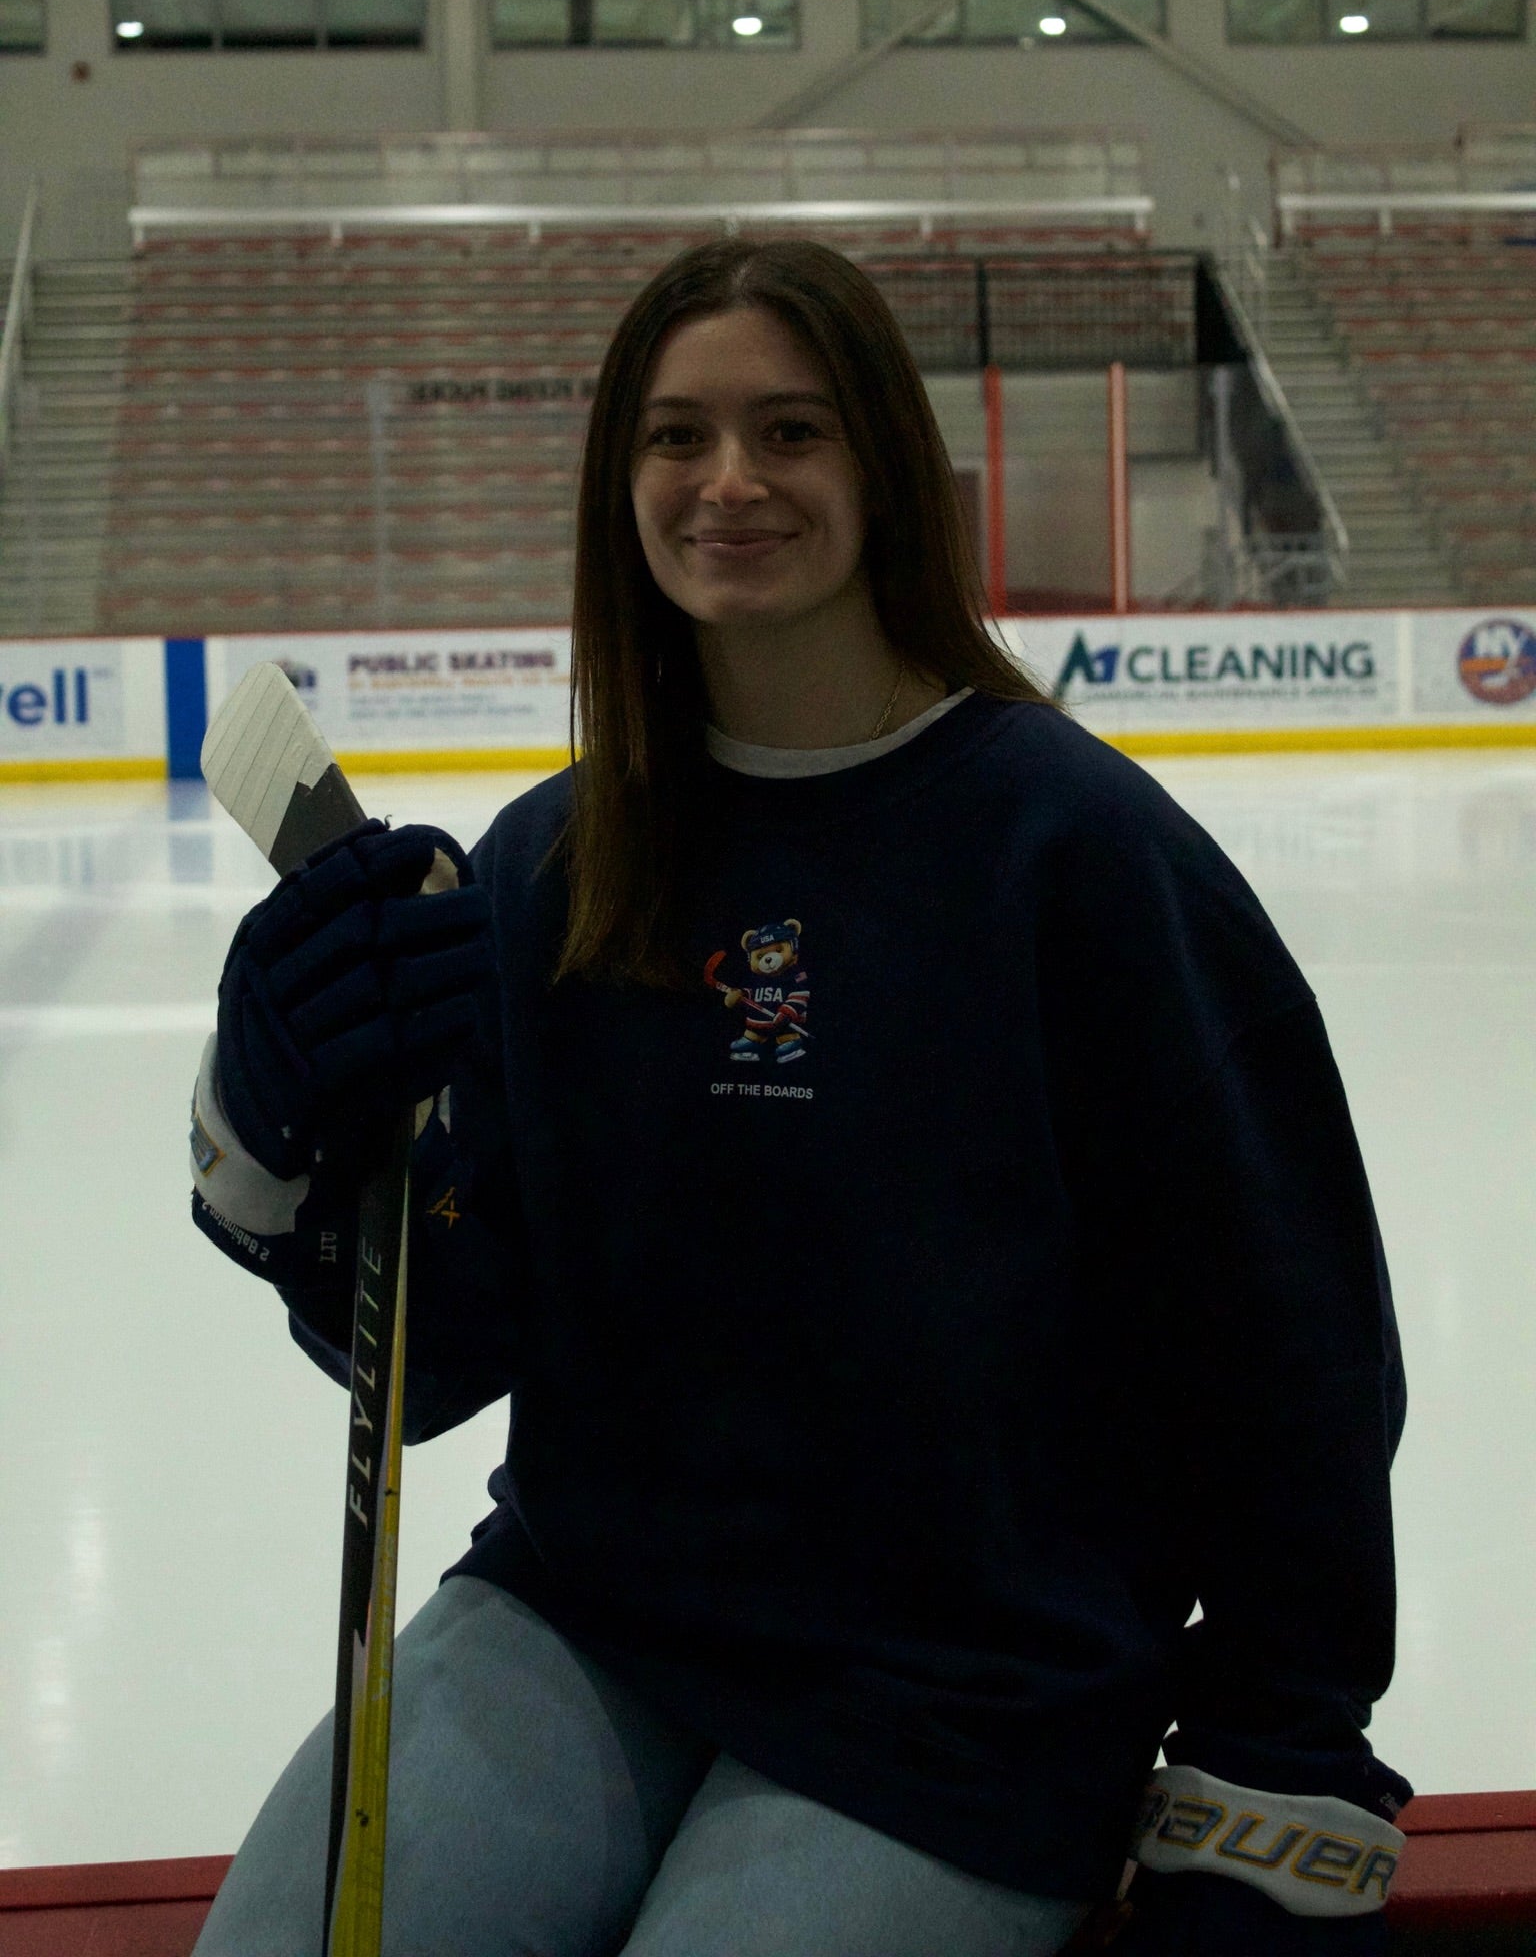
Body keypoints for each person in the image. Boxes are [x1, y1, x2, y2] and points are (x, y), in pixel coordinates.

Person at [189, 239, 1411, 1957]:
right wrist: (285, 1131)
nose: (729, 482)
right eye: (677, 438)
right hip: (591, 1617)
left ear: (884, 469)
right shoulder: (556, 863)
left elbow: (1291, 1355)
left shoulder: (1086, 862)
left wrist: (1277, 1756)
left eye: (792, 432)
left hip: (971, 1687)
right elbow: (438, 1358)